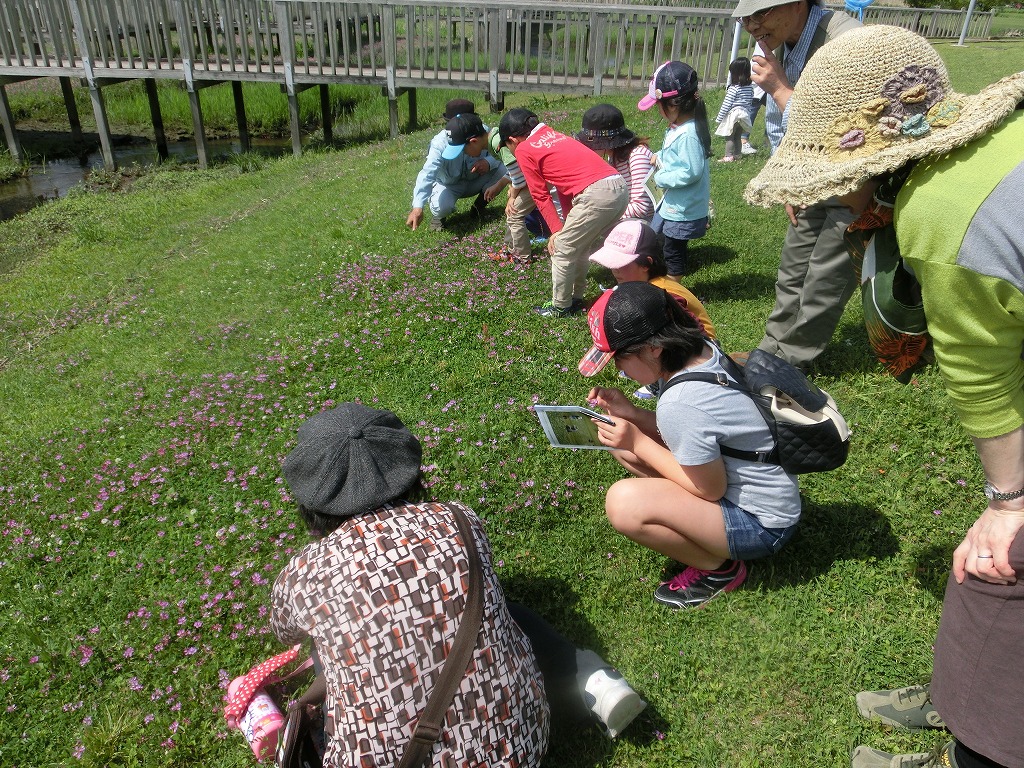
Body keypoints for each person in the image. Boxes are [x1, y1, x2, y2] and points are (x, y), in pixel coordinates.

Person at [744, 24, 1024, 768]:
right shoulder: (998, 141)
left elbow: (984, 380)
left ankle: (978, 749)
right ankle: (957, 702)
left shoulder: (937, 218)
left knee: (1001, 571)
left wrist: (1010, 502)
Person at [270, 403, 647, 767]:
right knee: (492, 607)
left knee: (326, 643)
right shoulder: (459, 518)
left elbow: (285, 632)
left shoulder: (302, 574)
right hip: (520, 748)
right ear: (407, 469)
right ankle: (589, 677)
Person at [578, 282, 801, 609]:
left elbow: (708, 489)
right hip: (764, 491)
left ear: (654, 347)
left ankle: (720, 570)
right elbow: (699, 435)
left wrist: (637, 440)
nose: (618, 370)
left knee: (623, 503)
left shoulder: (682, 401)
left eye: (620, 357)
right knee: (623, 448)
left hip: (763, 524)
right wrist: (634, 415)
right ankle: (690, 524)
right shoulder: (703, 351)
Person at [733, 0, 861, 369]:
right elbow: (781, 125)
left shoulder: (845, 41)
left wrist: (778, 86)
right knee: (794, 269)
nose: (752, 24)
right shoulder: (784, 41)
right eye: (746, 16)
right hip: (809, 173)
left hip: (852, 177)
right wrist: (790, 181)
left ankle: (790, 363)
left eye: (761, 13)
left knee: (825, 275)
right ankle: (771, 350)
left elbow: (842, 129)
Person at [497, 108, 628, 318]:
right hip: (618, 187)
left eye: (508, 147)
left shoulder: (523, 149)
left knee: (562, 249)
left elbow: (540, 195)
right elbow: (563, 186)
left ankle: (560, 306)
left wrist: (556, 232)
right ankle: (576, 298)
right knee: (580, 246)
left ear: (512, 140)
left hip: (596, 194)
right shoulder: (556, 136)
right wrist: (564, 224)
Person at [637, 61, 713, 280]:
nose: (658, 111)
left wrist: (661, 177)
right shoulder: (680, 127)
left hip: (682, 208)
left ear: (672, 105)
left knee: (674, 251)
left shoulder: (688, 134)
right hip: (672, 204)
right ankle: (660, 277)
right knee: (659, 239)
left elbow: (691, 172)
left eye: (658, 105)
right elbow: (676, 154)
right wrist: (659, 155)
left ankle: (673, 289)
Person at [589, 219, 716, 341]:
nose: (614, 269)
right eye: (611, 263)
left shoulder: (662, 295)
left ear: (646, 264)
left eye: (621, 263)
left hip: (702, 350)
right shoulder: (645, 285)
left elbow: (697, 336)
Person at [406, 101, 507, 232]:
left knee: (504, 169)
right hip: (449, 185)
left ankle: (479, 207)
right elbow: (427, 173)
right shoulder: (439, 143)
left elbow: (502, 155)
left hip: (476, 179)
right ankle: (439, 216)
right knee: (442, 207)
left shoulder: (483, 132)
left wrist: (488, 162)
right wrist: (418, 206)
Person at [576, 104, 656, 222]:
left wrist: (602, 216)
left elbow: (642, 208)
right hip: (625, 217)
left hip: (645, 223)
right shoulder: (613, 157)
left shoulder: (637, 156)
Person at [714, 57, 755, 162]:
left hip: (734, 115)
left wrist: (719, 118)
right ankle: (737, 154)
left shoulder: (734, 88)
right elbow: (750, 101)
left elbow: (726, 104)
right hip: (744, 115)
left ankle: (728, 156)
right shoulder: (750, 87)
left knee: (729, 136)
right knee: (738, 136)